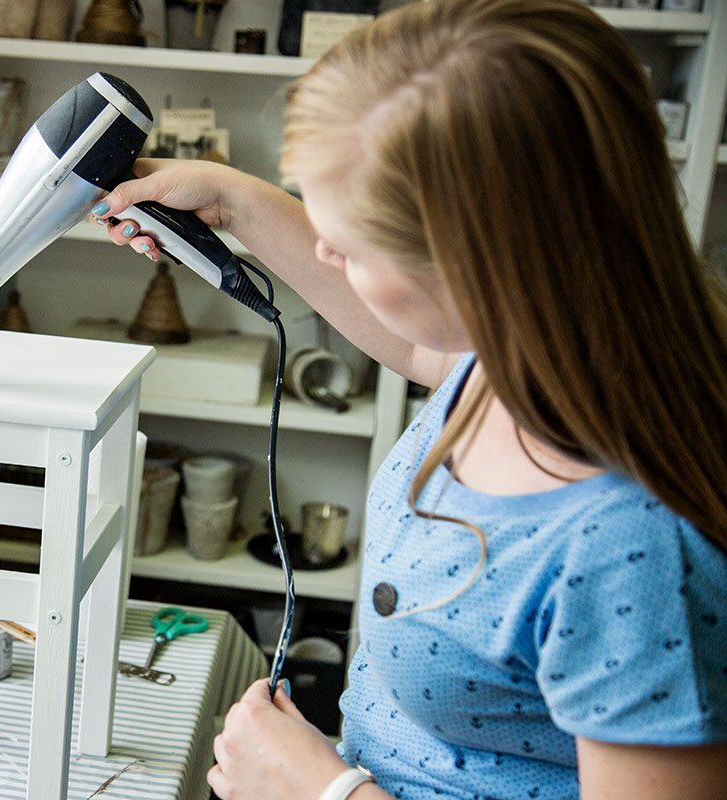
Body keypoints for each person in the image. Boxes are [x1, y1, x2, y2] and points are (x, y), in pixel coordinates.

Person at [89, 1, 727, 798]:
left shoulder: (634, 548)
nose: (322, 251)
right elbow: (423, 346)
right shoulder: (512, 357)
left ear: (479, 263)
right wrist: (234, 202)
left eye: (347, 244)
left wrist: (325, 793)